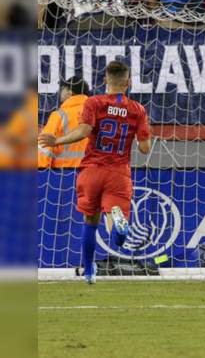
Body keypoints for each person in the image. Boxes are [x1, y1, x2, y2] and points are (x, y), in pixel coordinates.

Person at [37, 61, 152, 284]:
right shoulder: (138, 109)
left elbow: (83, 131)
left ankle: (89, 272)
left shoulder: (94, 102)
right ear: (128, 83)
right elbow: (145, 148)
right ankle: (116, 220)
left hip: (91, 170)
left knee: (90, 220)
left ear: (105, 80)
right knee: (117, 233)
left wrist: (57, 140)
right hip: (119, 172)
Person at [37, 77, 90, 169]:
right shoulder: (94, 113)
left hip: (62, 172)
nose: (60, 92)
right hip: (90, 171)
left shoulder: (59, 115)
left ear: (70, 92)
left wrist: (41, 168)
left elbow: (44, 144)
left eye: (63, 89)